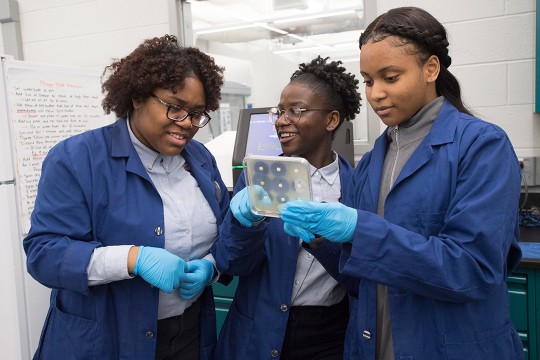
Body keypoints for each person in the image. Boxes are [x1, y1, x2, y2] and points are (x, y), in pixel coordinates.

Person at [279, 6, 525, 360]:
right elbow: (360, 280)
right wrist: (323, 241)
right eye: (367, 81)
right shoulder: (374, 160)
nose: (375, 93)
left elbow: (472, 269)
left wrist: (358, 229)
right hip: (372, 345)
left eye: (389, 77)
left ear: (430, 69)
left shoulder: (481, 145)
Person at [23, 35, 229, 360]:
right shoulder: (76, 159)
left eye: (197, 113)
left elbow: (226, 234)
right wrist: (133, 259)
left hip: (188, 334)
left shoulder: (201, 159)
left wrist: (211, 266)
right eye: (175, 108)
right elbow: (44, 255)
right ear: (137, 98)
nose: (187, 124)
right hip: (104, 340)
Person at [211, 56, 361, 359]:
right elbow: (230, 263)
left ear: (331, 120)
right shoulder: (259, 177)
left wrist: (323, 244)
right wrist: (245, 225)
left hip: (327, 334)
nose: (281, 120)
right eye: (280, 112)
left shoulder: (356, 186)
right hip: (258, 327)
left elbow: (362, 279)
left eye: (296, 111)